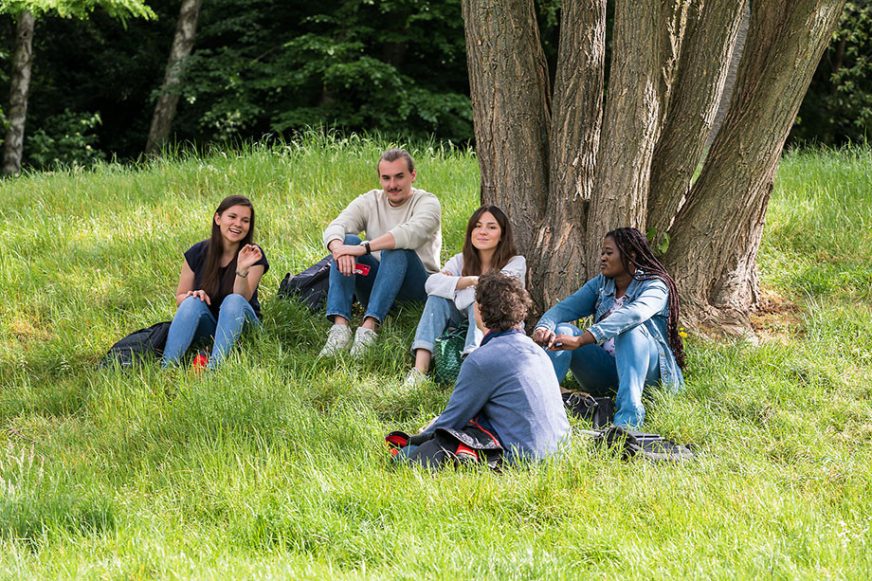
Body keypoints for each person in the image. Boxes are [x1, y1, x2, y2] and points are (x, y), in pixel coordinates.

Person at [399, 272, 570, 464]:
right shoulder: (536, 351)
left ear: (479, 309)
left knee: (407, 456)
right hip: (561, 452)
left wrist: (412, 441)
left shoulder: (481, 360)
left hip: (521, 459)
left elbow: (451, 421)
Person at [532, 227, 685, 428]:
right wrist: (543, 327)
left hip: (647, 378)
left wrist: (582, 339)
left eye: (609, 253)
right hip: (608, 372)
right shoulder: (602, 284)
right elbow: (564, 309)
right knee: (563, 330)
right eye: (602, 253)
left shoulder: (655, 285)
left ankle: (627, 422)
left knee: (629, 328)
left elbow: (634, 314)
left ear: (631, 255)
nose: (603, 258)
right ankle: (538, 408)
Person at [320, 148, 442, 356]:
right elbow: (337, 225)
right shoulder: (370, 201)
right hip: (377, 285)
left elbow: (409, 234)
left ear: (413, 175)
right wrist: (339, 248)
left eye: (399, 177)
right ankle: (340, 329)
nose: (392, 185)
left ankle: (369, 328)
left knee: (396, 250)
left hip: (415, 288)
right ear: (380, 179)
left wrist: (363, 247)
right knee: (346, 241)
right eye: (386, 178)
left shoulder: (428, 203)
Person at [406, 205, 525, 385]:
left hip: (499, 327)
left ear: (502, 235)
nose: (482, 231)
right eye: (477, 226)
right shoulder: (460, 260)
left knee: (480, 302)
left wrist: (454, 287)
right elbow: (431, 284)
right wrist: (470, 281)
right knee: (436, 298)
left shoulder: (515, 263)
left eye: (491, 227)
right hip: (461, 320)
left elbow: (493, 292)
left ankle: (472, 369)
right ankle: (419, 371)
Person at [162, 195, 269, 370]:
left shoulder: (252, 254)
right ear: (218, 218)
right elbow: (180, 298)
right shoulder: (197, 252)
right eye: (232, 217)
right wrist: (193, 295)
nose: (238, 224)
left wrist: (241, 270)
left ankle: (215, 368)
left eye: (245, 220)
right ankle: (167, 368)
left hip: (244, 327)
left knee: (233, 300)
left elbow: (243, 298)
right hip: (210, 326)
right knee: (191, 303)